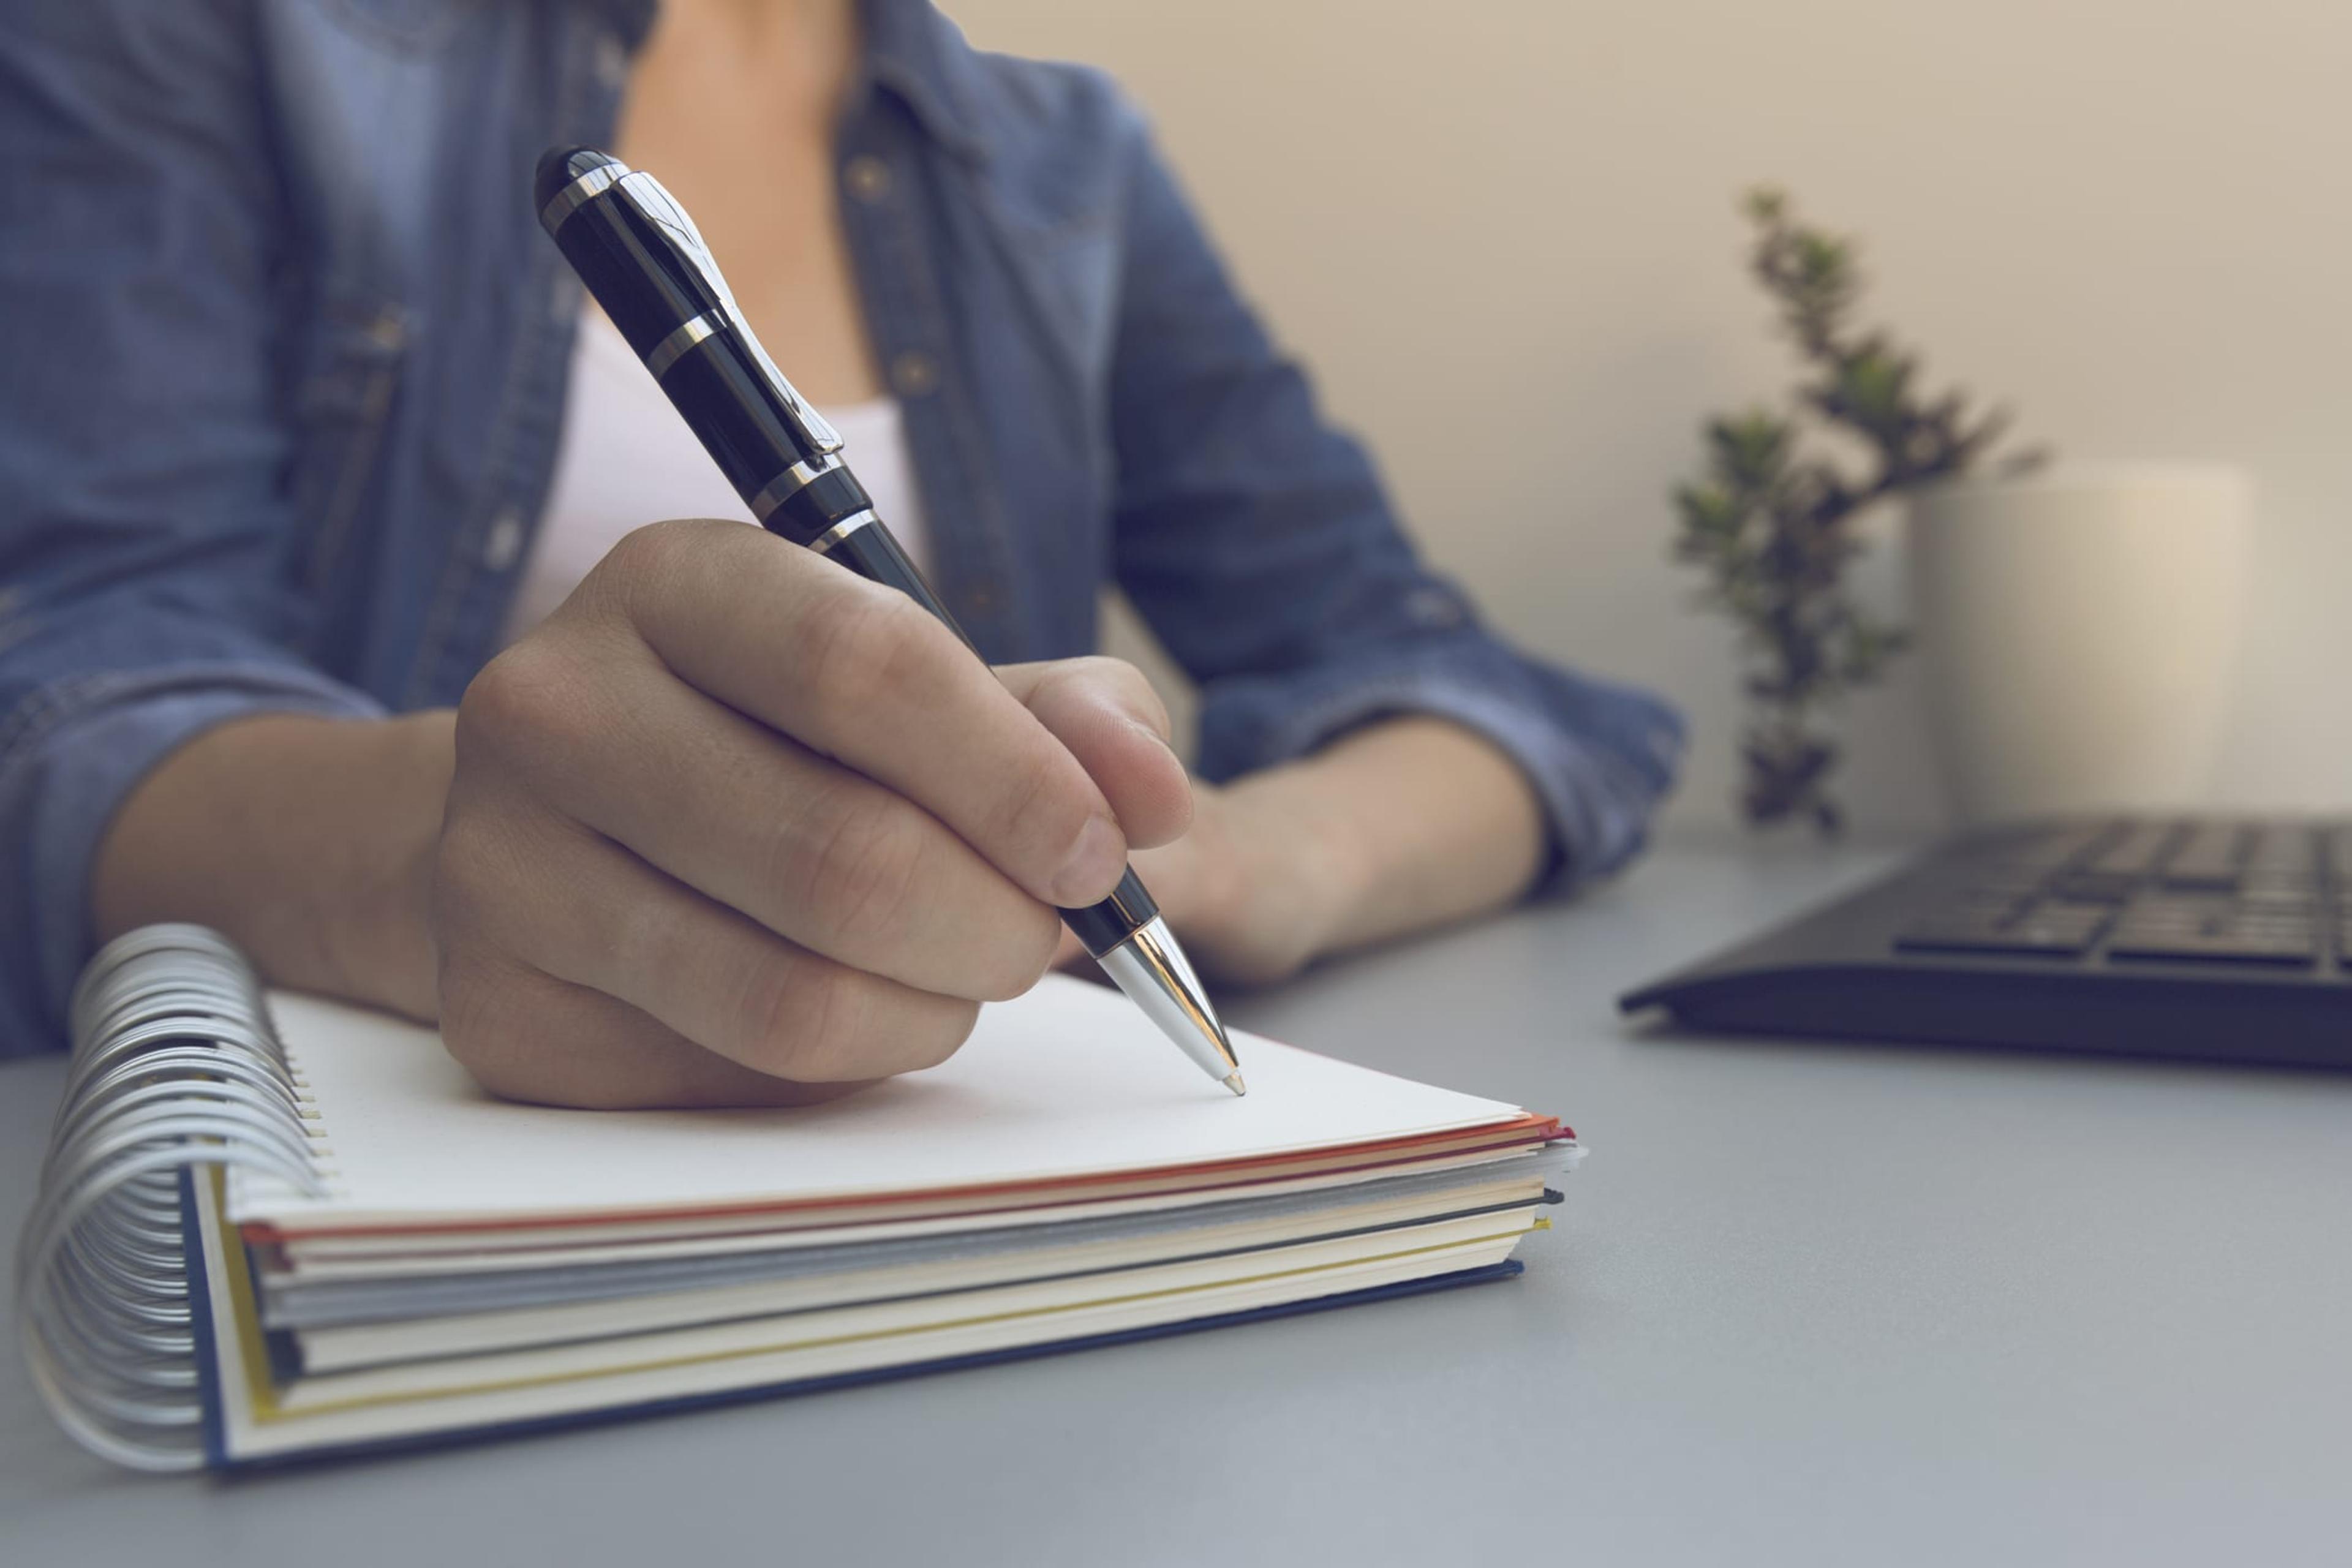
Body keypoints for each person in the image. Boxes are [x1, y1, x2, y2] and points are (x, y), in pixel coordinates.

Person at [0, 0, 1681, 1104]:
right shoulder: (194, 40)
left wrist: (1238, 858)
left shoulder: (1061, 163)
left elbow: (1488, 699)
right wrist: (433, 858)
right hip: (368, 1155)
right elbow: (78, 694)